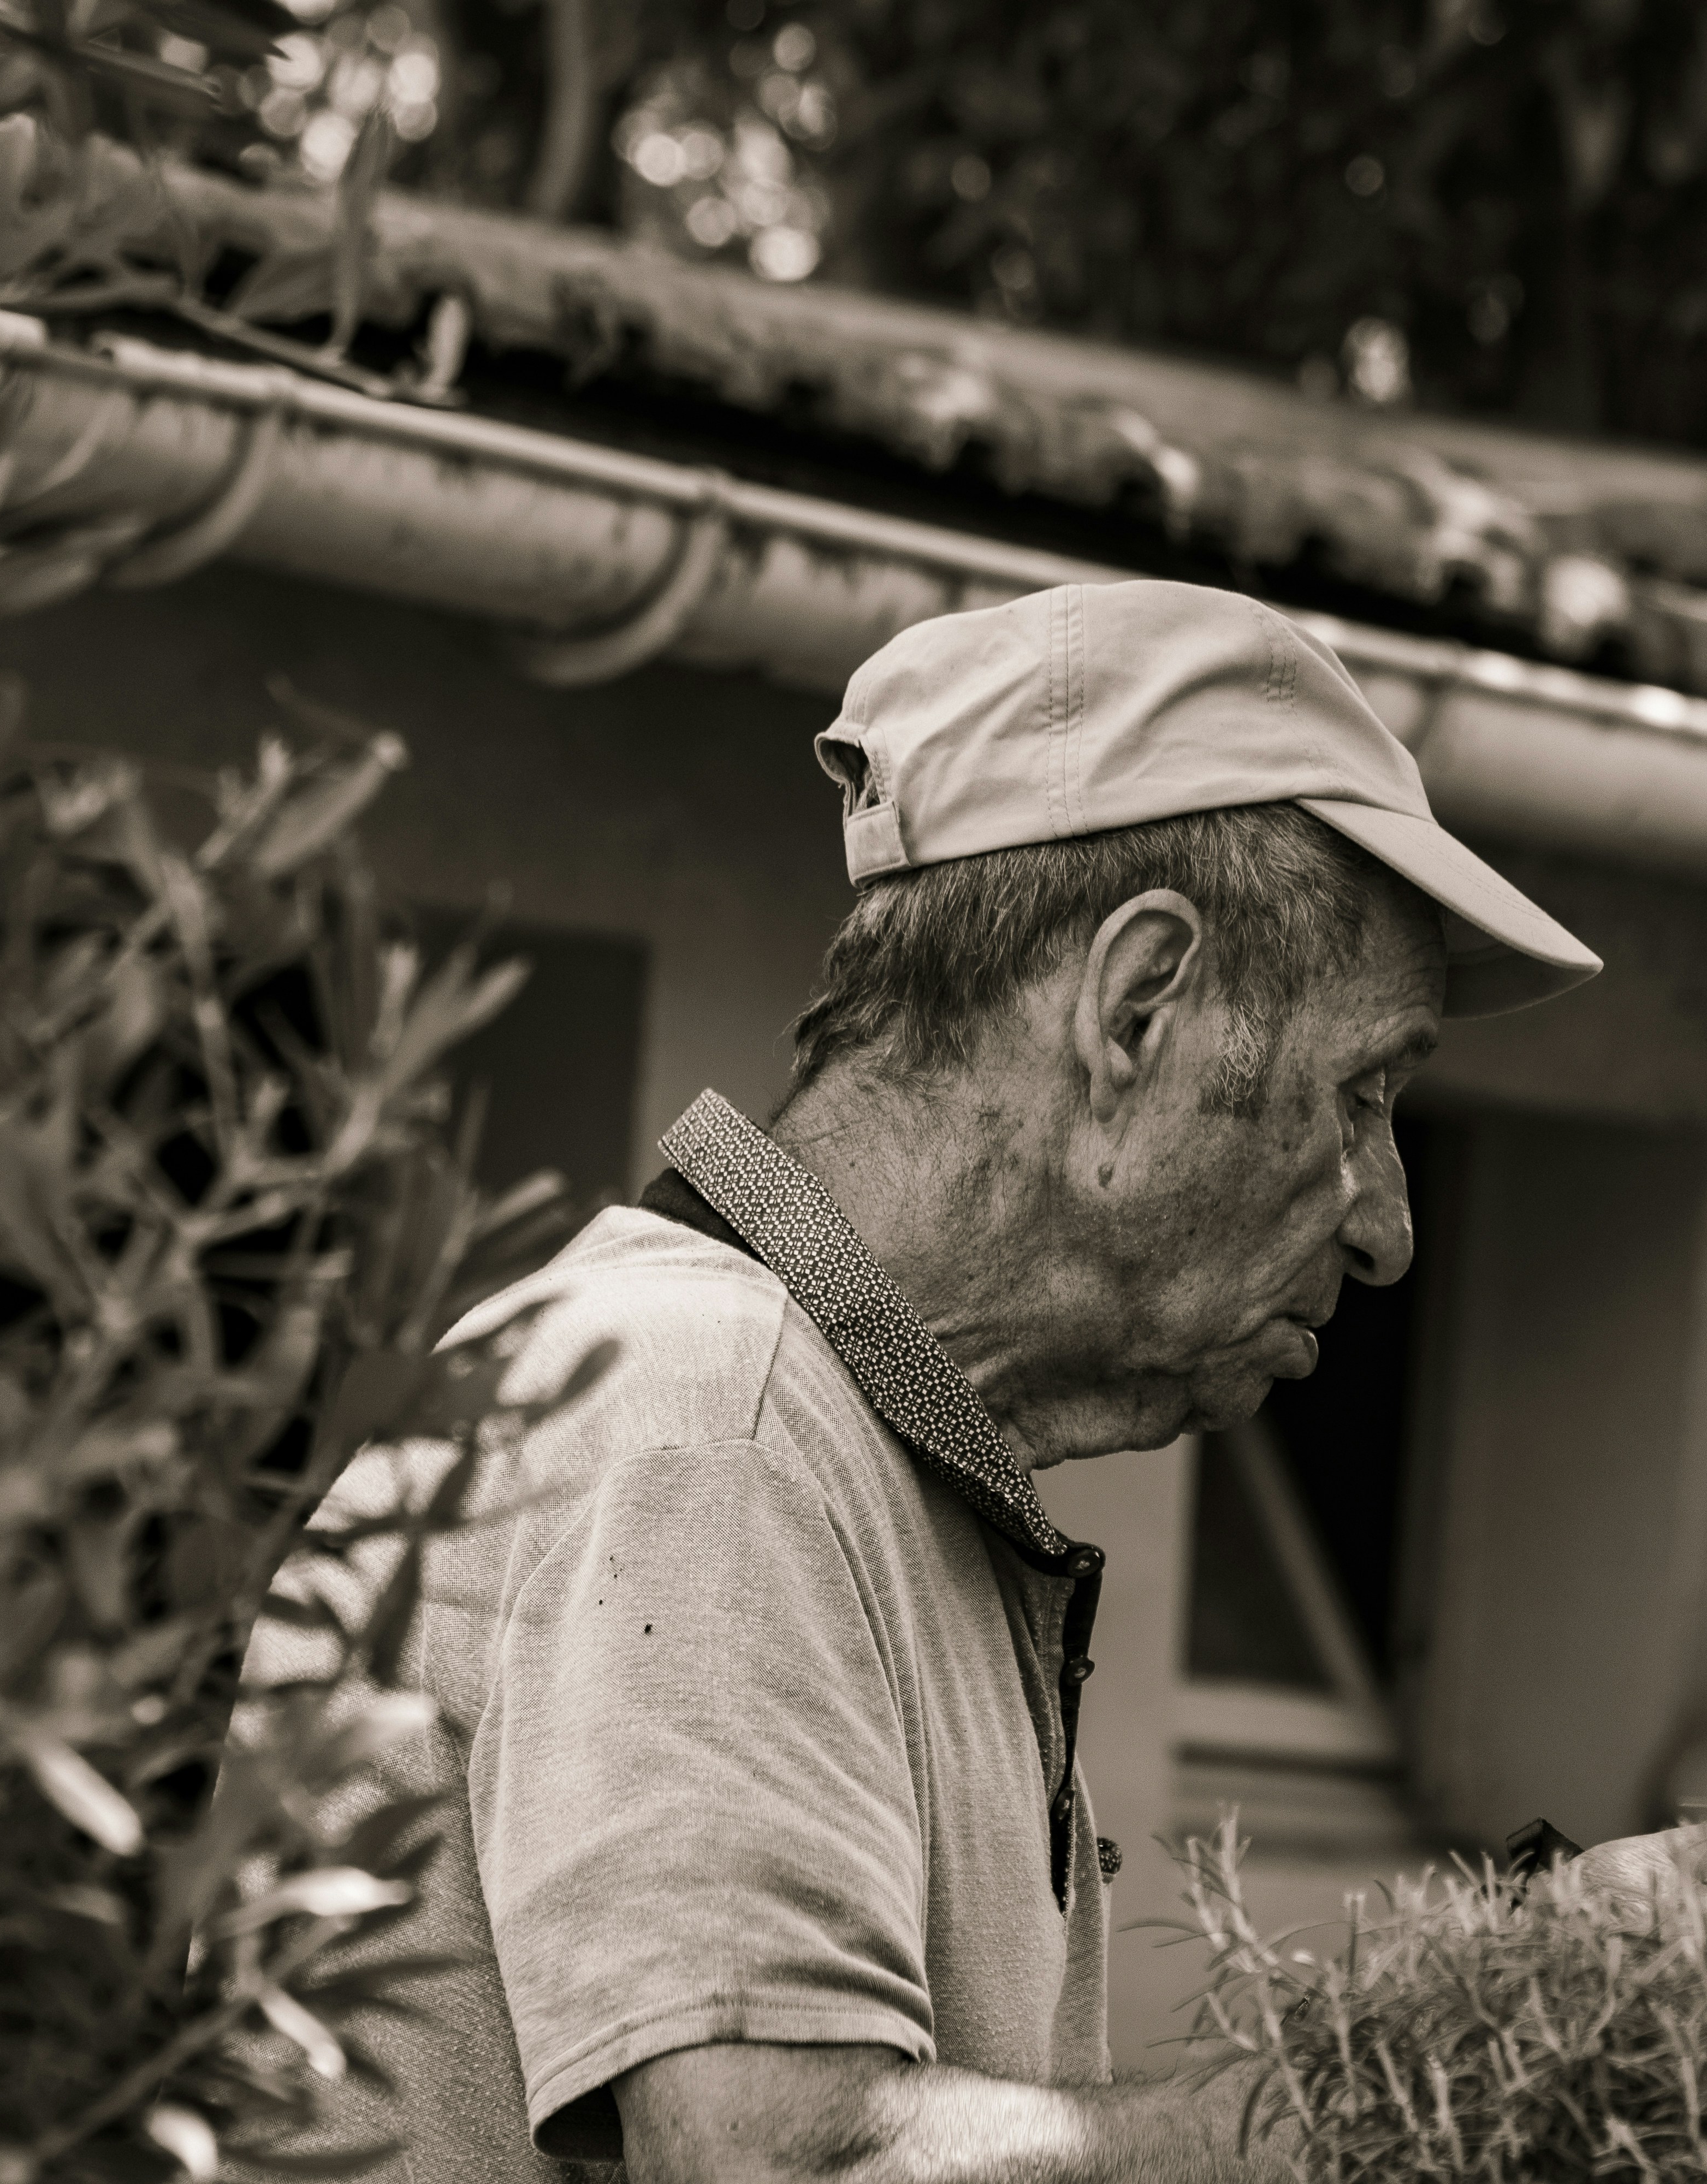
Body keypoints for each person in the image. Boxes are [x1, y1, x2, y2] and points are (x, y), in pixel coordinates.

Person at [236, 580, 1603, 2182]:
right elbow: (791, 2166)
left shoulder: (836, 1447)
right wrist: (1461, 2098)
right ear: (1136, 1006)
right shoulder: (707, 1418)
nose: (1388, 1225)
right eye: (1362, 1092)